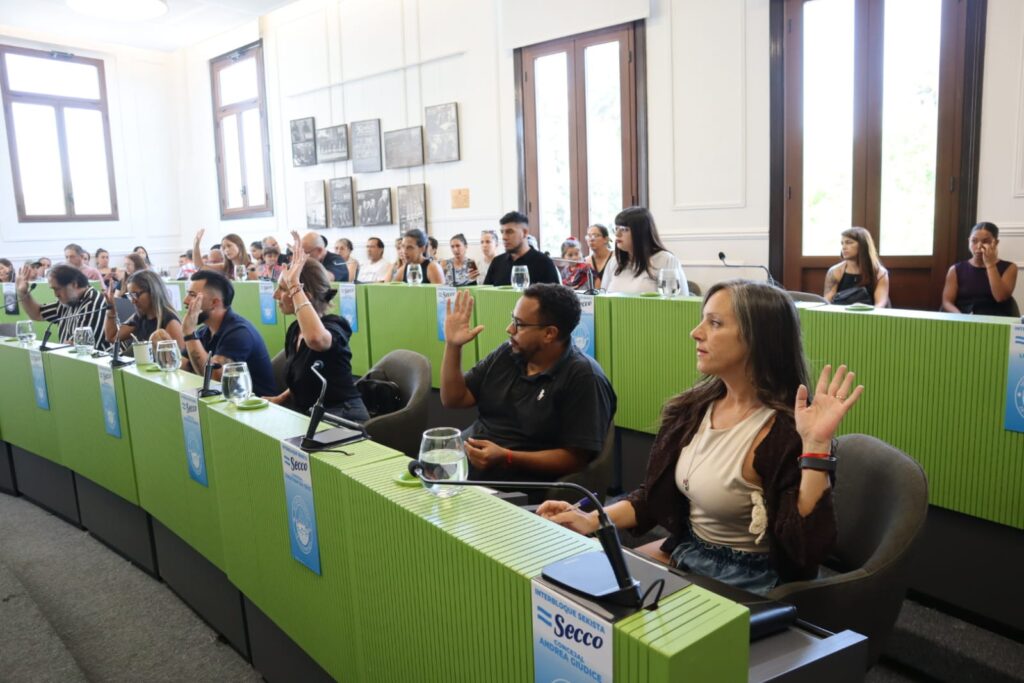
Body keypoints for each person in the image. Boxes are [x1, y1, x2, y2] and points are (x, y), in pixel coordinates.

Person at [539, 280, 865, 594]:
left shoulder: (785, 431)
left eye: (715, 323)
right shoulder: (691, 410)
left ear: (759, 338)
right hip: (690, 551)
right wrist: (592, 518)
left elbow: (806, 551)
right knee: (591, 587)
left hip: (754, 577)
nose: (696, 333)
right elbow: (653, 498)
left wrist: (816, 448)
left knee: (628, 607)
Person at [440, 285, 616, 488]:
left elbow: (575, 459)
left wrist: (507, 457)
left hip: (517, 487)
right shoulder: (508, 353)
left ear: (549, 333)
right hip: (464, 468)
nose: (509, 329)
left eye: (519, 324)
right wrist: (453, 346)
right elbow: (454, 399)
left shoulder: (584, 377)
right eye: (512, 319)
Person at [265, 239, 369, 422]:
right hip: (310, 415)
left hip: (342, 418)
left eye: (282, 289)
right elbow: (303, 379)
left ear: (305, 295)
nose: (275, 296)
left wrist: (294, 285)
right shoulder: (295, 330)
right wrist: (280, 398)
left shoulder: (335, 326)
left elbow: (316, 340)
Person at [181, 270, 276, 396]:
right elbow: (182, 366)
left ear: (214, 302)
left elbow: (215, 379)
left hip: (255, 405)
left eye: (193, 295)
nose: (185, 300)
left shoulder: (240, 333)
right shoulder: (204, 332)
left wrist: (189, 334)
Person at [15, 263, 107, 348]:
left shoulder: (93, 302)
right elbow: (37, 314)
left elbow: (79, 345)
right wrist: (23, 293)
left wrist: (67, 345)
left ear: (74, 284)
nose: (56, 295)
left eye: (57, 289)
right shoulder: (67, 301)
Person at [602, 207, 686, 294]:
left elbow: (680, 299)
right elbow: (602, 297)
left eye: (624, 229)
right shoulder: (614, 262)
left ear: (641, 233)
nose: (617, 234)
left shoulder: (665, 260)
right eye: (616, 228)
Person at [942, 222, 1019, 316]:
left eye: (985, 241)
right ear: (969, 241)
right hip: (963, 317)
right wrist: (961, 317)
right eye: (974, 241)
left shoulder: (1010, 268)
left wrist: (990, 264)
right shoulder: (955, 269)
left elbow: (1000, 297)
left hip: (996, 318)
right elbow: (947, 302)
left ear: (995, 243)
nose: (979, 246)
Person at [102, 270, 184, 349]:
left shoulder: (170, 321)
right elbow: (112, 337)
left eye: (136, 295)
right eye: (131, 296)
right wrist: (111, 309)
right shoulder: (140, 317)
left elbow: (180, 357)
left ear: (152, 292)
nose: (133, 301)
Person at [483, 211, 560, 286]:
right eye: (502, 232)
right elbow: (484, 292)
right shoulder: (497, 262)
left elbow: (554, 294)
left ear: (525, 232)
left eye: (509, 232)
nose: (504, 237)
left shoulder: (544, 263)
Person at [823, 227, 890, 307]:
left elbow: (880, 305)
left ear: (863, 245)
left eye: (849, 242)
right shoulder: (835, 271)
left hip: (869, 313)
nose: (844, 247)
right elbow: (827, 302)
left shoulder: (880, 273)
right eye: (842, 243)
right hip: (841, 313)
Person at [585, 224, 613, 289]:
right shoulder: (586, 261)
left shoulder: (615, 257)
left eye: (595, 235)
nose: (591, 239)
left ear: (606, 239)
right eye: (589, 236)